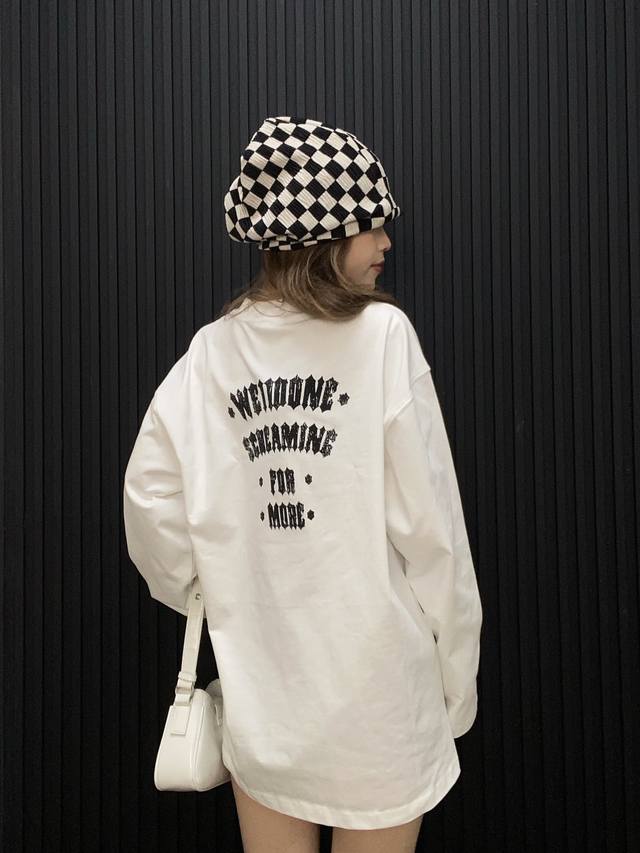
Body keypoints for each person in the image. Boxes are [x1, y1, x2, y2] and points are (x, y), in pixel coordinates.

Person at [122, 116, 483, 853]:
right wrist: (458, 675)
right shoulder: (383, 338)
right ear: (324, 234)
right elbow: (434, 534)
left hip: (266, 691)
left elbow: (149, 497)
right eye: (372, 225)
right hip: (381, 700)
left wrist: (209, 585)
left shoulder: (212, 352)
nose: (386, 242)